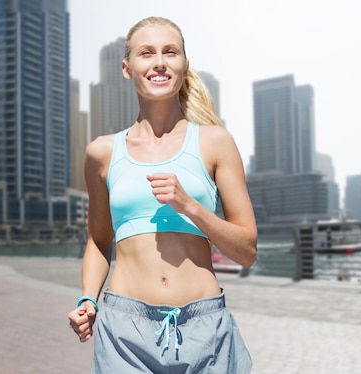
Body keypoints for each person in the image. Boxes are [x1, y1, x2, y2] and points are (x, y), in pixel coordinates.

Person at [68, 16, 257, 373]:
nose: (159, 62)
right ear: (127, 68)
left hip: (207, 332)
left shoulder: (215, 142)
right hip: (125, 333)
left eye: (170, 52)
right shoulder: (101, 153)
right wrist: (87, 299)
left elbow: (246, 252)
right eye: (146, 53)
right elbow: (98, 239)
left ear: (185, 66)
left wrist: (190, 206)